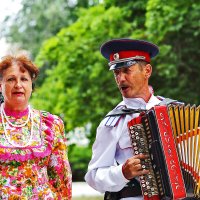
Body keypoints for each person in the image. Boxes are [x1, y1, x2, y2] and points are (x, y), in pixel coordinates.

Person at [85, 38, 162, 199]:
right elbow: (93, 176)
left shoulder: (171, 110)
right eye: (116, 73)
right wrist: (122, 173)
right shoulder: (112, 122)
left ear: (147, 71)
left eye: (127, 71)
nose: (120, 79)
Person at [0, 55, 72, 199]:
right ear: (0, 85)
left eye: (24, 79)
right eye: (11, 79)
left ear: (31, 85)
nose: (18, 85)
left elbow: (61, 180)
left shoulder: (51, 124)